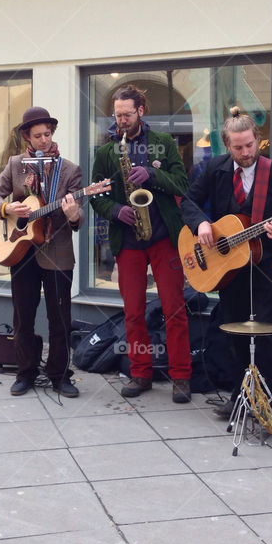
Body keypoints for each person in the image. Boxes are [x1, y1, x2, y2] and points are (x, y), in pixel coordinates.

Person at [181, 107, 272, 421]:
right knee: (233, 336)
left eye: (249, 145)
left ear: (257, 140)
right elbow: (189, 201)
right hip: (230, 269)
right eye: (238, 147)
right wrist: (201, 226)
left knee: (271, 339)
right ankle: (241, 397)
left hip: (270, 268)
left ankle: (271, 407)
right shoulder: (215, 170)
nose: (245, 152)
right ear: (227, 146)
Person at [91, 85, 193, 403]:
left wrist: (150, 174)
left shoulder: (162, 143)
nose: (121, 120)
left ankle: (181, 377)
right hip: (130, 241)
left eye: (126, 114)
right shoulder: (108, 152)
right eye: (117, 115)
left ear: (141, 111)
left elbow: (182, 184)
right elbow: (97, 195)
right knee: (133, 312)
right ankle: (140, 372)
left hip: (164, 238)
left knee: (174, 309)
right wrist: (115, 210)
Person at [0, 106, 83, 397]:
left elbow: (79, 220)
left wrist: (74, 213)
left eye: (48, 134)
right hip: (23, 250)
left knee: (60, 317)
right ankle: (25, 372)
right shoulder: (15, 164)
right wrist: (7, 207)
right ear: (27, 136)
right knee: (23, 316)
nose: (44, 139)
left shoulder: (70, 170)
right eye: (38, 135)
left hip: (58, 252)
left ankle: (60, 374)